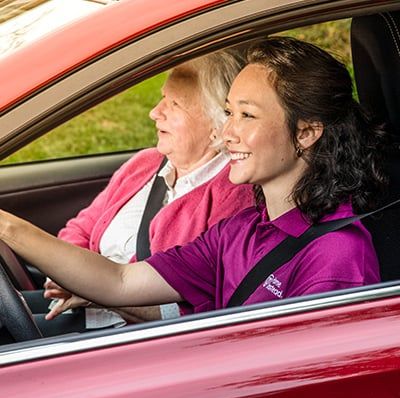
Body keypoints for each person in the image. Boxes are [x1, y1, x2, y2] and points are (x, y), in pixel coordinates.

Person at [0, 36, 386, 321]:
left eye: (246, 116)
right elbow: (118, 281)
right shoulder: (242, 230)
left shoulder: (336, 257)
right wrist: (7, 227)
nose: (228, 132)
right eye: (228, 112)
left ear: (305, 133)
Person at [22, 49, 254, 333]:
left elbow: (204, 310)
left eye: (174, 104)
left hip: (133, 338)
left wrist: (98, 291)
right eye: (161, 98)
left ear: (218, 126)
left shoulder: (234, 197)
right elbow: (79, 229)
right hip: (79, 308)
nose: (155, 112)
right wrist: (68, 277)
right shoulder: (145, 164)